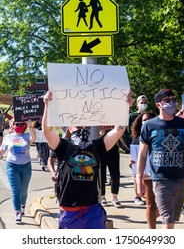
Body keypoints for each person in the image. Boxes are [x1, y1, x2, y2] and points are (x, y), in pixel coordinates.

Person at [42, 90, 132, 229]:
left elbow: (119, 130)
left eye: (86, 124)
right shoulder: (63, 146)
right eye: (78, 125)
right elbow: (47, 131)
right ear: (70, 128)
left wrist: (124, 107)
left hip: (93, 211)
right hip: (70, 212)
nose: (83, 128)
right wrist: (47, 105)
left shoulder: (96, 146)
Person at [136, 89, 184, 229]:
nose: (171, 103)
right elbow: (142, 155)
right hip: (160, 179)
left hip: (181, 178)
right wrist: (139, 181)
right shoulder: (149, 126)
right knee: (168, 222)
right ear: (158, 105)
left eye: (173, 100)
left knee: (173, 218)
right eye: (167, 100)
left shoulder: (183, 124)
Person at [0, 120, 36, 224]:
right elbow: (2, 151)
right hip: (12, 166)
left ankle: (22, 204)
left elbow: (33, 138)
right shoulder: (8, 137)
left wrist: (30, 126)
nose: (18, 125)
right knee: (16, 190)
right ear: (12, 125)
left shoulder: (27, 135)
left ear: (24, 125)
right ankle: (18, 212)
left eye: (21, 124)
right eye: (16, 123)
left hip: (26, 166)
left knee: (24, 190)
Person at [130, 111, 158, 228]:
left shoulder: (159, 135)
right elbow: (136, 156)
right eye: (144, 120)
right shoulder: (137, 139)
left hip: (161, 173)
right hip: (146, 174)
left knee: (164, 205)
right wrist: (133, 163)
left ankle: (154, 216)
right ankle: (151, 230)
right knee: (150, 203)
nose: (146, 122)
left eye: (148, 120)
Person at [126, 94, 149, 205]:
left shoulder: (149, 116)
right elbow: (127, 132)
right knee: (136, 170)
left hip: (148, 144)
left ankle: (147, 193)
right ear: (137, 104)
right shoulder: (132, 116)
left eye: (145, 102)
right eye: (141, 102)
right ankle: (137, 196)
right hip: (135, 144)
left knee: (147, 171)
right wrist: (127, 146)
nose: (143, 104)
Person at [99, 126, 121, 208]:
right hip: (101, 147)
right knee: (101, 173)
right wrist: (101, 134)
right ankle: (102, 197)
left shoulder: (113, 119)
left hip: (113, 147)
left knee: (115, 173)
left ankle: (114, 197)